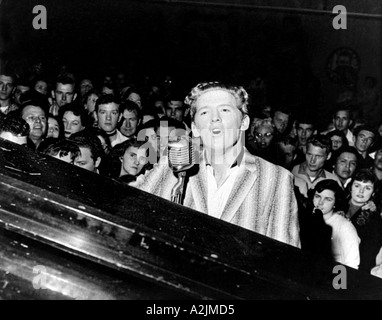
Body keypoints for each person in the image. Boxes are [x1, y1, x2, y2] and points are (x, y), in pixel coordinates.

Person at [132, 81, 300, 248]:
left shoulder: (277, 179)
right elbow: (127, 209)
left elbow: (285, 261)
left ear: (244, 122)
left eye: (224, 110)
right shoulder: (172, 163)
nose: (215, 119)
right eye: (204, 112)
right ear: (195, 128)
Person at [304, 179, 360, 269]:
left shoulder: (345, 226)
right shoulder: (307, 219)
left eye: (328, 199)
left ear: (335, 202)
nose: (320, 202)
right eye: (317, 196)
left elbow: (352, 264)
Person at [345, 169, 382, 273]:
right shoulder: (337, 204)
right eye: (357, 186)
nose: (361, 191)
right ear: (350, 187)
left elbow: (368, 255)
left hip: (352, 267)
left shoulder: (374, 218)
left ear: (373, 193)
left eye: (367, 188)